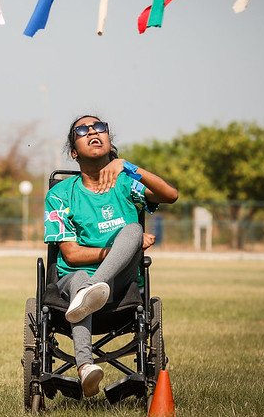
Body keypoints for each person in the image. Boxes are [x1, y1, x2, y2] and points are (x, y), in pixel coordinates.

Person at [43, 115, 178, 398]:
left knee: (133, 229)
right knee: (80, 278)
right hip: (74, 280)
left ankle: (90, 291)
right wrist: (120, 250)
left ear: (109, 141)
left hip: (121, 284)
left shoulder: (126, 183)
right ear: (74, 152)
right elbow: (71, 253)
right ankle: (85, 368)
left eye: (99, 127)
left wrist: (127, 167)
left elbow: (170, 195)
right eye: (83, 130)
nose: (93, 131)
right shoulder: (60, 194)